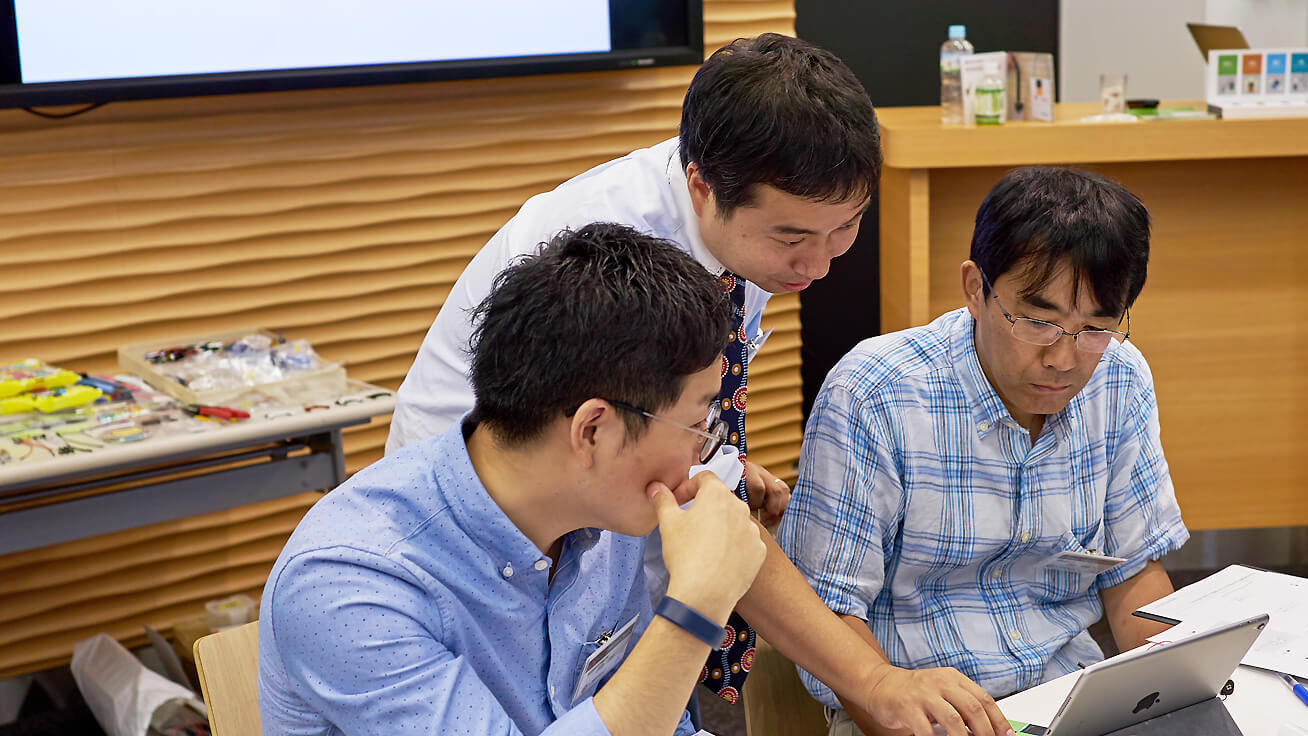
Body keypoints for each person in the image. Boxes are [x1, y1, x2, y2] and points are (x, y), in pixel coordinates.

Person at [381, 34, 1013, 736]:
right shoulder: (616, 254)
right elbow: (696, 510)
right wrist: (871, 680)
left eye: (847, 227)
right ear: (702, 184)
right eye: (793, 237)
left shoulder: (744, 230)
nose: (822, 262)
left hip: (596, 530)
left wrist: (708, 454)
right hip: (498, 546)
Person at [258, 224, 769, 735]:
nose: (703, 453)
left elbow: (653, 716)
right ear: (593, 430)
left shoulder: (606, 513)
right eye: (697, 425)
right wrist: (697, 606)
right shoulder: (350, 581)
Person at [778, 166, 1191, 736]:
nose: (1064, 359)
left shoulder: (1119, 378)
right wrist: (890, 701)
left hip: (1069, 696)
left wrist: (1177, 688)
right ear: (976, 288)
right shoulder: (876, 394)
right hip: (916, 708)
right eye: (1038, 322)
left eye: (1095, 328)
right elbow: (829, 608)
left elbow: (1131, 569)